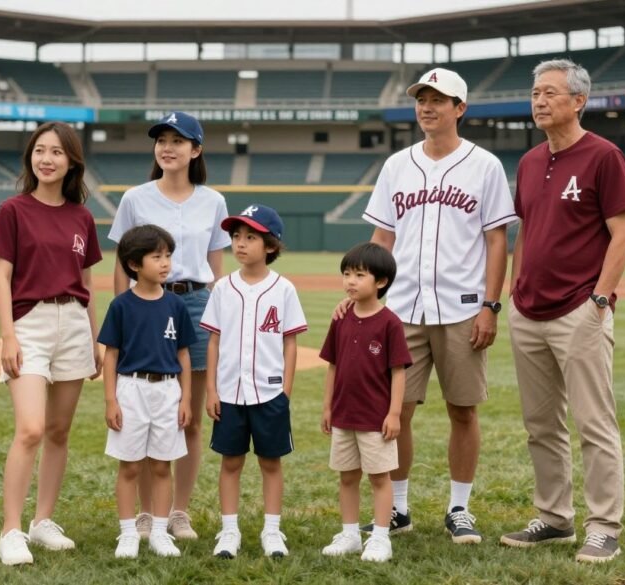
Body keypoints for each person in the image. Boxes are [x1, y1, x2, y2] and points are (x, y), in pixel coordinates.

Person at [353, 67, 517, 544]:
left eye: (438, 100)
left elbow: (496, 240)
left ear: (459, 109)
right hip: (402, 306)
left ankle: (459, 507)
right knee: (396, 411)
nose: (427, 107)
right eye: (422, 99)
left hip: (463, 306)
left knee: (462, 410)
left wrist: (490, 305)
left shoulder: (484, 165)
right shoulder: (396, 165)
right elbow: (382, 237)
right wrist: (369, 297)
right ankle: (398, 509)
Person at [500, 59, 625, 564]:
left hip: (580, 309)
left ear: (578, 101)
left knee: (593, 423)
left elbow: (623, 234)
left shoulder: (604, 155)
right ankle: (554, 519)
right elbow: (525, 231)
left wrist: (600, 300)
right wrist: (515, 290)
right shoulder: (530, 161)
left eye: (551, 93)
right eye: (536, 92)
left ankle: (604, 526)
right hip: (528, 310)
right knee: (541, 424)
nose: (539, 101)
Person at [108, 110, 231, 540]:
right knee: (143, 412)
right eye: (161, 139)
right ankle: (145, 514)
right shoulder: (135, 198)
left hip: (195, 303)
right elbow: (121, 264)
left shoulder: (213, 201)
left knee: (189, 419)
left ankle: (178, 512)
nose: (167, 147)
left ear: (195, 150)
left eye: (178, 140)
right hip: (144, 306)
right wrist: (123, 311)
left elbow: (215, 270)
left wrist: (218, 319)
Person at [0, 122, 103, 566]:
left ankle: (42, 521)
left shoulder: (81, 217)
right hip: (29, 323)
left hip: (73, 321)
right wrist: (8, 334)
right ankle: (10, 530)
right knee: (31, 428)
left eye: (56, 152)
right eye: (39, 151)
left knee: (58, 431)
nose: (46, 158)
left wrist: (94, 339)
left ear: (72, 161)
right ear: (30, 157)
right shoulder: (13, 210)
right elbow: (1, 276)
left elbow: (87, 282)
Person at [201, 204, 308, 559]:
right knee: (230, 462)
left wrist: (286, 391)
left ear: (271, 246)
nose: (240, 244)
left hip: (269, 392)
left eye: (250, 237)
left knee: (270, 462)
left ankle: (272, 531)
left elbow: (290, 342)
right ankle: (229, 531)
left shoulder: (284, 289)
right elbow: (214, 341)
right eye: (235, 236)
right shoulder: (222, 288)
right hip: (230, 392)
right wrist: (212, 389)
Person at [99, 224, 196, 559]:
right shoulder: (121, 305)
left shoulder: (176, 305)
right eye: (157, 256)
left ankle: (158, 531)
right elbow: (110, 354)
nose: (165, 262)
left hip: (167, 391)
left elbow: (183, 353)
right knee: (129, 467)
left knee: (160, 466)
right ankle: (128, 532)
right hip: (131, 389)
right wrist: (111, 399)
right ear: (135, 264)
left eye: (168, 255)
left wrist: (185, 398)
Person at [320, 243, 411, 563]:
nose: (350, 281)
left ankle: (381, 537)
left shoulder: (390, 323)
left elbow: (398, 372)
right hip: (344, 414)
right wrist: (328, 407)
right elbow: (332, 365)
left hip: (375, 418)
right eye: (347, 274)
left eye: (359, 275)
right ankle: (349, 534)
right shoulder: (340, 318)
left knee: (379, 478)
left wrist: (395, 413)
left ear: (381, 282)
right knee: (347, 476)